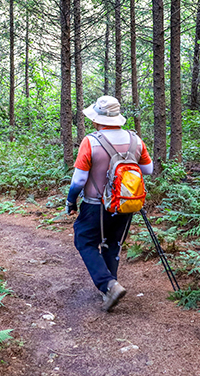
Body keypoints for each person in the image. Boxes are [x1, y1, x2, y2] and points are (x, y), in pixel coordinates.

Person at [66, 95, 153, 311]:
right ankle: (111, 288)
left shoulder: (91, 141)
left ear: (98, 119)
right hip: (125, 204)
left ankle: (108, 285)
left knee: (84, 240)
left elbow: (78, 180)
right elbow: (148, 170)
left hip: (95, 205)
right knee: (113, 243)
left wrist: (71, 200)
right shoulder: (135, 140)